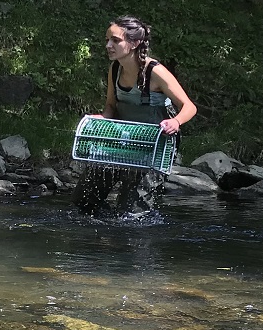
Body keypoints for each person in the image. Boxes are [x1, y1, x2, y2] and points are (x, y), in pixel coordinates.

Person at [75, 16, 198, 218]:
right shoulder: (115, 68)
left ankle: (127, 236)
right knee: (84, 200)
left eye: (115, 40)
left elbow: (189, 107)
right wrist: (102, 118)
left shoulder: (156, 72)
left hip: (155, 146)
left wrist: (175, 122)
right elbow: (110, 106)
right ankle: (104, 231)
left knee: (131, 214)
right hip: (122, 139)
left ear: (134, 43)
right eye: (107, 40)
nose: (108, 45)